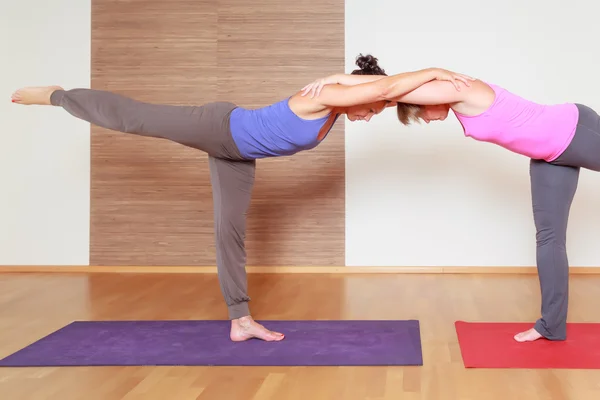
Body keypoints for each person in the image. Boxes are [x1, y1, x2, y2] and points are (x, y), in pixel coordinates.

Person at [11, 55, 472, 342]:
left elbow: (385, 91)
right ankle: (56, 95)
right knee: (136, 119)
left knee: (228, 232)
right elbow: (386, 88)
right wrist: (433, 68)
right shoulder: (328, 98)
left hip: (236, 156)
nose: (371, 115)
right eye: (370, 109)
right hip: (219, 127)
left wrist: (363, 83)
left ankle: (240, 319)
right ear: (356, 95)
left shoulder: (339, 99)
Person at [304, 65, 599, 343]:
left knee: (549, 238)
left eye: (420, 113)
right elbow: (389, 93)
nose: (426, 118)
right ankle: (550, 325)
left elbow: (386, 88)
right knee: (549, 238)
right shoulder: (455, 102)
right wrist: (343, 84)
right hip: (550, 155)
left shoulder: (460, 88)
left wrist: (335, 79)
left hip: (574, 129)